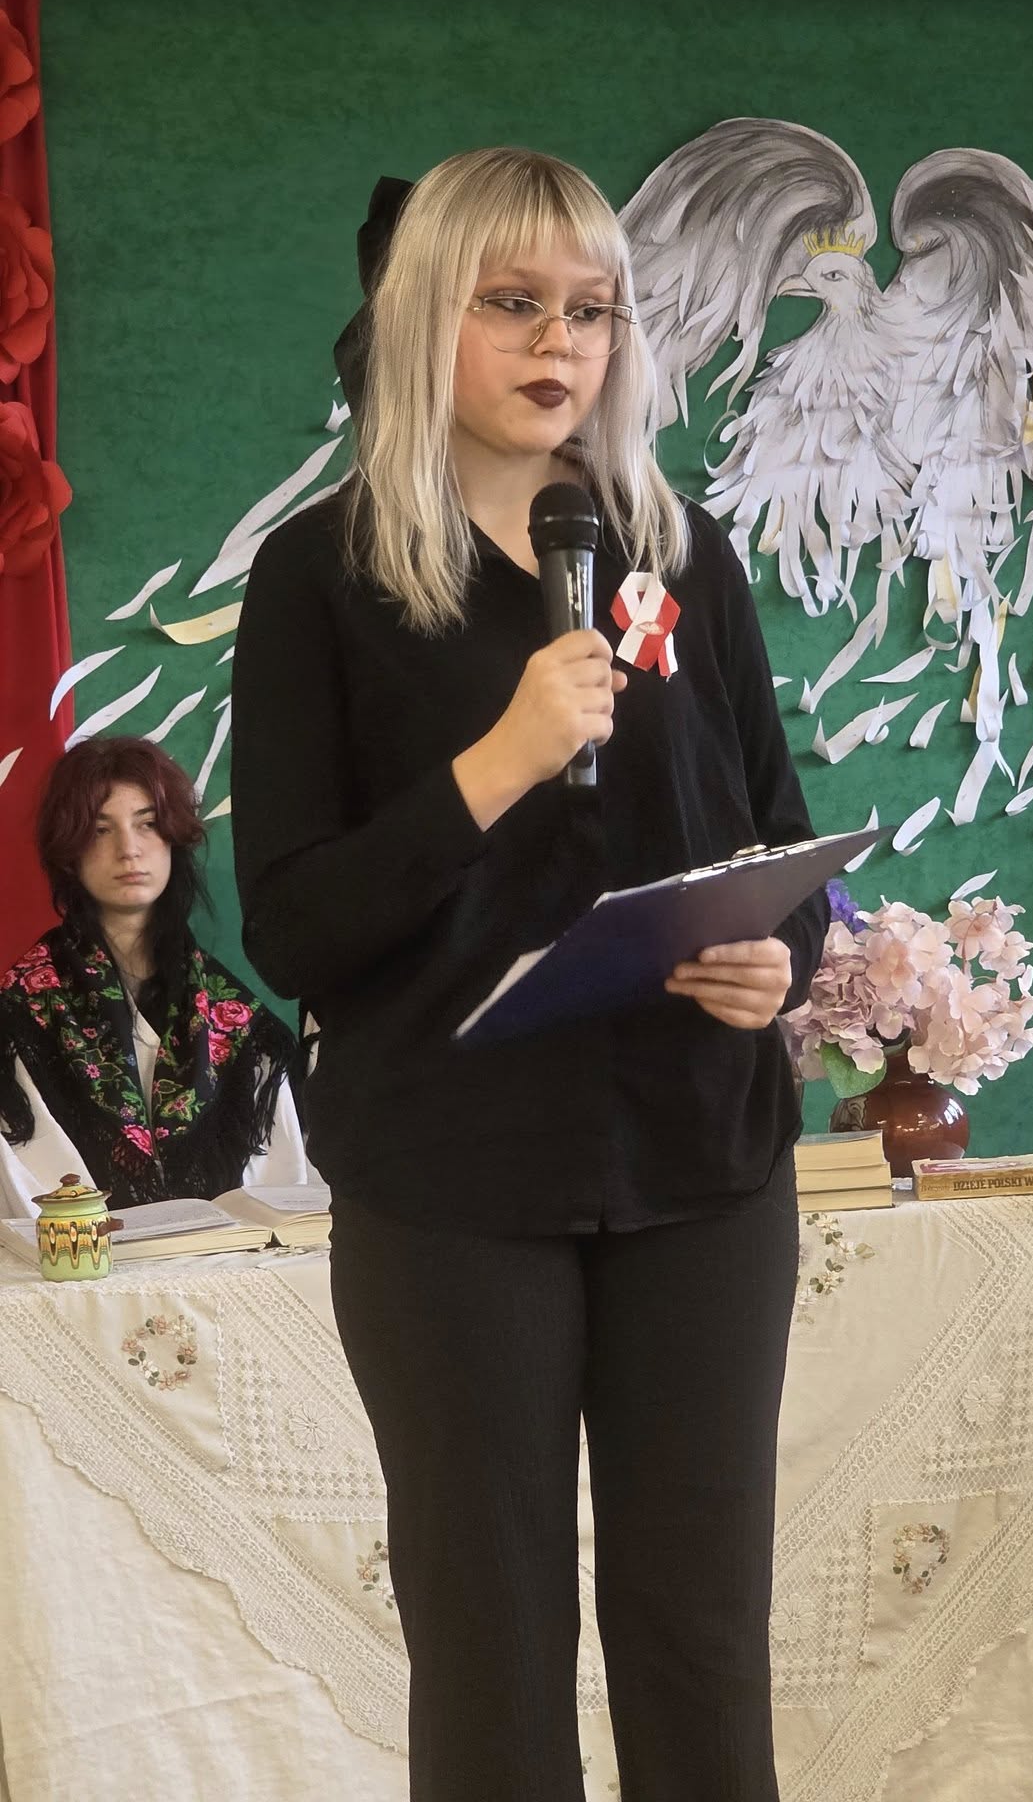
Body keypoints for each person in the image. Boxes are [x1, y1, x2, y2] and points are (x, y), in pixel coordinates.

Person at [230, 147, 828, 1802]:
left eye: (590, 310)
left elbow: (776, 835)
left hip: (701, 1164)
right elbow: (293, 926)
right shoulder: (321, 577)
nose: (559, 344)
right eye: (512, 304)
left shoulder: (680, 554)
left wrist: (771, 959)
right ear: (423, 315)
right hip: (452, 1185)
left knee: (699, 1638)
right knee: (492, 1651)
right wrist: (494, 764)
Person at [0, 735, 307, 1214]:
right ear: (69, 852)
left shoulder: (234, 1016)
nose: (129, 850)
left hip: (225, 1253)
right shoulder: (22, 1011)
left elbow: (282, 1184)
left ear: (172, 838)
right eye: (100, 830)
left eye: (147, 824)